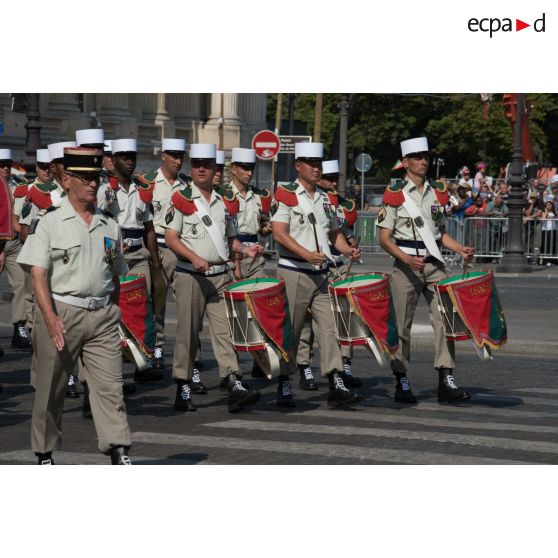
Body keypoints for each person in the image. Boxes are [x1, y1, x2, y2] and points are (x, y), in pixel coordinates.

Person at [16, 146, 132, 465]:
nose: (93, 184)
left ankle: (118, 449)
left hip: (102, 316)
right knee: (49, 391)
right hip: (62, 313)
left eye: (96, 177)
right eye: (85, 178)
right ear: (67, 180)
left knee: (110, 387)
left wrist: (115, 311)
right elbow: (38, 274)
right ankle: (44, 453)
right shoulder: (49, 222)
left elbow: (116, 274)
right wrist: (50, 317)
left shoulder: (109, 224)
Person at [163, 143, 264, 413]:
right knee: (187, 334)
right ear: (191, 168)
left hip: (220, 277)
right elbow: (171, 238)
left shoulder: (223, 201)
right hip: (191, 276)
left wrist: (245, 248)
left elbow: (229, 239)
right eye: (197, 164)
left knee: (225, 332)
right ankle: (183, 387)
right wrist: (193, 257)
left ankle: (233, 382)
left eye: (208, 165)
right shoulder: (181, 198)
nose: (203, 169)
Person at [377, 136, 475, 404]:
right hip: (406, 265)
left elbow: (440, 234)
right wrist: (406, 260)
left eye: (426, 157)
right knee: (402, 326)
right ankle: (401, 379)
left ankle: (446, 378)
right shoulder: (394, 194)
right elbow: (384, 238)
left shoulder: (437, 192)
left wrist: (460, 249)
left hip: (434, 265)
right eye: (418, 158)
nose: (423, 162)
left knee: (446, 320)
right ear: (406, 162)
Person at [271, 143, 362, 407]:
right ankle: (284, 382)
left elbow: (333, 233)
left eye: (318, 163)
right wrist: (306, 253)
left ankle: (336, 381)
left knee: (331, 329)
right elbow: (279, 233)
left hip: (322, 274)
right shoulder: (286, 194)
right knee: (292, 331)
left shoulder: (324, 197)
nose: (316, 168)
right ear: (298, 165)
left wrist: (348, 250)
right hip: (295, 271)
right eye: (310, 163)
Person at [97, 138, 163, 383]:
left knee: (141, 307)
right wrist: (112, 250)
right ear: (113, 161)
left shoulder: (141, 189)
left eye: (132, 158)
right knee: (115, 310)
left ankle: (142, 361)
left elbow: (149, 227)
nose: (129, 162)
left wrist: (155, 260)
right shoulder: (106, 189)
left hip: (139, 255)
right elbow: (100, 224)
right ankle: (114, 369)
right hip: (115, 254)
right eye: (124, 158)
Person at [295, 159, 362, 390]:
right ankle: (304, 366)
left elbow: (344, 232)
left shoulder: (340, 204)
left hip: (337, 266)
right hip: (312, 265)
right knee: (305, 320)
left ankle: (343, 367)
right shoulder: (309, 198)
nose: (333, 183)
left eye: (336, 179)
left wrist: (352, 247)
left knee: (340, 318)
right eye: (329, 178)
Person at [140, 138, 189, 371]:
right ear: (163, 156)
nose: (178, 161)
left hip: (181, 248)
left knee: (186, 304)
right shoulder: (148, 182)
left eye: (181, 157)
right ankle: (156, 347)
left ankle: (188, 353)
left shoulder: (186, 186)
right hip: (156, 247)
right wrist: (151, 252)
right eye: (174, 156)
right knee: (156, 302)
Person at [0, 148, 33, 350]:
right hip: (1, 242)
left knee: (21, 285)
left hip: (14, 241)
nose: (5, 168)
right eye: (1, 165)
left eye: (7, 164)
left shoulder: (19, 185)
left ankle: (19, 327)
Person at [540, 201, 558, 265]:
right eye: (547, 205)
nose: (549, 206)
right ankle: (546, 260)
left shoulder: (554, 212)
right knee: (546, 245)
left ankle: (553, 260)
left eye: (550, 204)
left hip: (554, 229)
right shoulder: (544, 212)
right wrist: (546, 212)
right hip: (546, 230)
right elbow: (543, 219)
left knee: (553, 245)